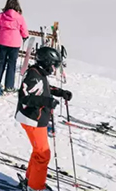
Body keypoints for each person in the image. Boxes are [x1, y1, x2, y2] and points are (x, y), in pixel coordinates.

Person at [16, 47, 72, 191]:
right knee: (43, 155)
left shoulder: (39, 73)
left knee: (38, 152)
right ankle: (35, 187)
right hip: (32, 119)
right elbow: (25, 98)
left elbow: (43, 87)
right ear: (48, 63)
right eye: (55, 65)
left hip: (37, 119)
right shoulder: (33, 75)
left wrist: (60, 92)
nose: (55, 69)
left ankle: (31, 180)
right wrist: (46, 101)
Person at [0, 0, 29, 94]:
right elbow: (24, 30)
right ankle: (9, 86)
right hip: (14, 44)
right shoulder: (19, 17)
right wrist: (25, 36)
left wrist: (0, 31)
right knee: (11, 64)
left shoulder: (1, 16)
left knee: (0, 62)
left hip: (2, 41)